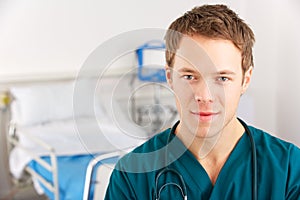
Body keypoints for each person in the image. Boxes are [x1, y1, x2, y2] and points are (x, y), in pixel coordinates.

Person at [105, 4, 300, 199]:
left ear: (245, 80)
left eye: (222, 79)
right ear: (170, 78)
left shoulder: (290, 169)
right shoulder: (132, 176)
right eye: (190, 77)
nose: (205, 96)